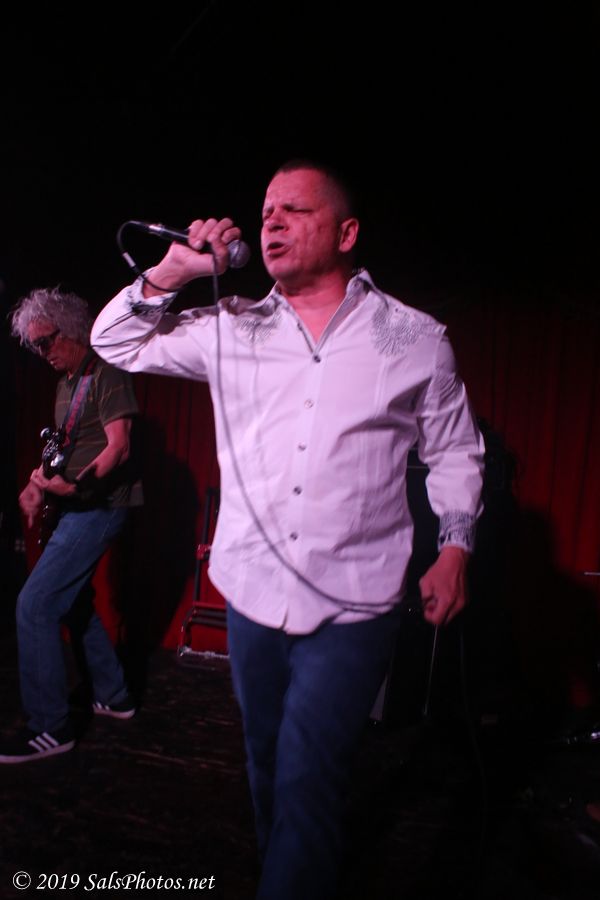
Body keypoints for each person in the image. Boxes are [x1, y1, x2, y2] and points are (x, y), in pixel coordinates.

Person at [90, 160, 485, 898]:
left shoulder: (414, 338)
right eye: (266, 210)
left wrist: (456, 545)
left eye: (294, 210)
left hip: (354, 600)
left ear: (346, 232)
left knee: (309, 773)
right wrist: (175, 271)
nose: (270, 220)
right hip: (253, 591)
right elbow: (114, 343)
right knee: (268, 763)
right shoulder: (231, 327)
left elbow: (456, 451)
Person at [0, 287, 142, 764]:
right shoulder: (67, 383)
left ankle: (50, 726)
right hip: (74, 505)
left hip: (100, 506)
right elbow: (63, 448)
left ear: (73, 329)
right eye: (35, 346)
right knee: (74, 601)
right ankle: (113, 694)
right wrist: (37, 484)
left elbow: (119, 446)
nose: (43, 353)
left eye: (47, 341)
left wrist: (75, 488)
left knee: (35, 604)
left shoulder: (108, 372)